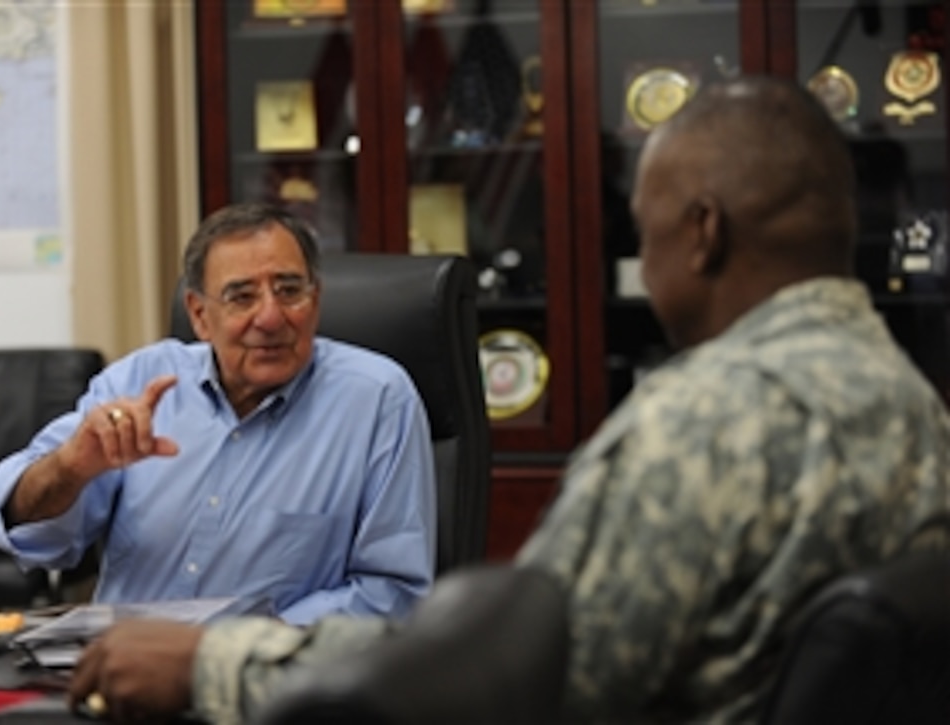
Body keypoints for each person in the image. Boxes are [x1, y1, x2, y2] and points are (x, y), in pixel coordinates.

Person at [65, 76, 950, 723]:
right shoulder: (914, 405)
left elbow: (506, 683)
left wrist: (214, 665)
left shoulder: (703, 425)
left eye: (642, 229)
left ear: (704, 232)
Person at [0, 203, 437, 625]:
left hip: (271, 686)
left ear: (315, 301)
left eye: (290, 290)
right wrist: (69, 467)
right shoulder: (141, 382)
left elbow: (393, 594)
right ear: (199, 316)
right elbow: (30, 532)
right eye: (242, 297)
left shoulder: (377, 398)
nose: (272, 317)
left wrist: (219, 649)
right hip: (121, 685)